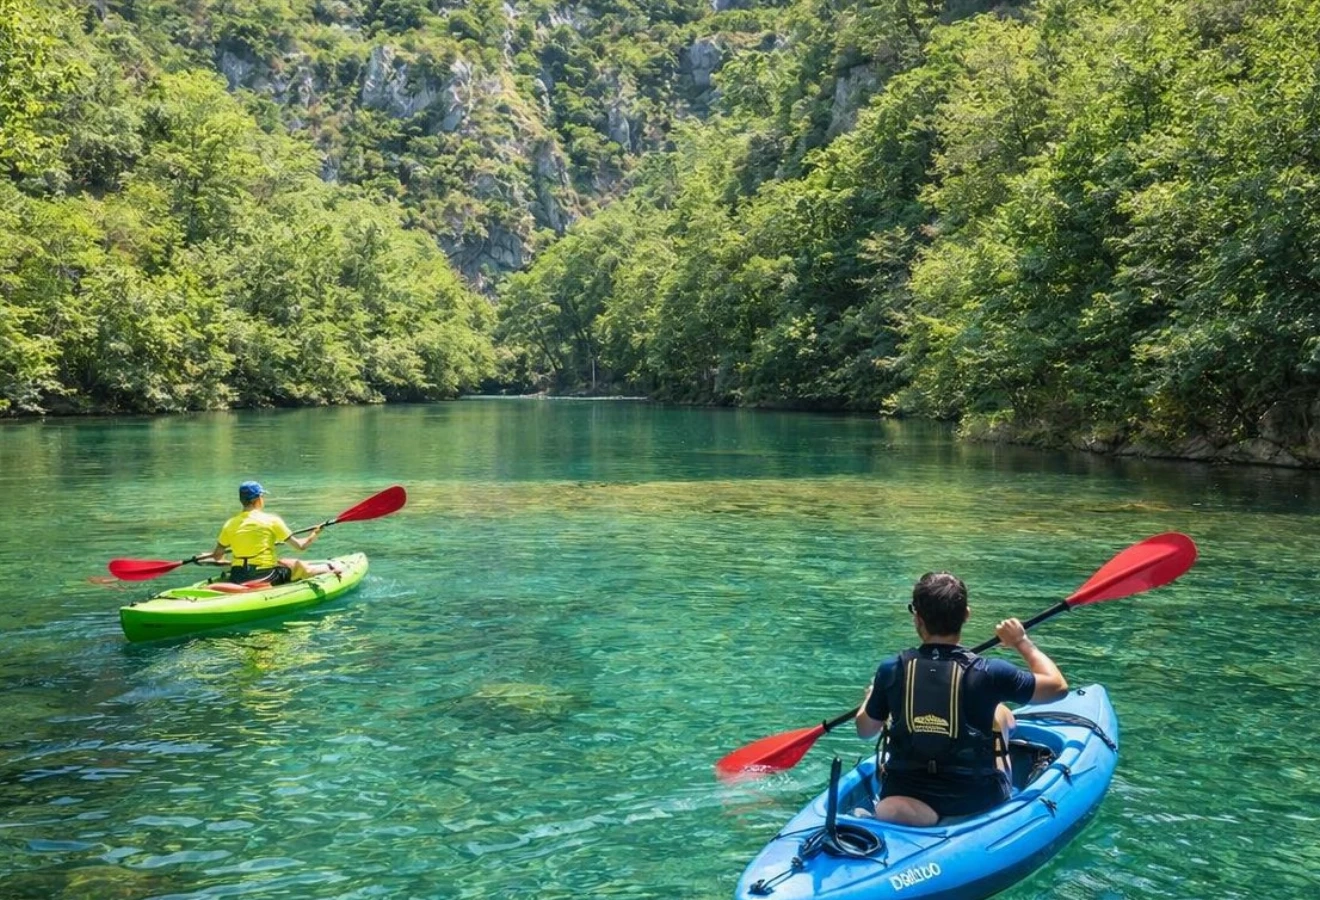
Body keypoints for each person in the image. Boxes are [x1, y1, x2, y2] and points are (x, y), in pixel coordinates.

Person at [854, 571, 1068, 825]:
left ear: (917, 617)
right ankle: (961, 817)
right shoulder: (990, 672)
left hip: (906, 795)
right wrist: (1021, 641)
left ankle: (909, 817)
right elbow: (1057, 687)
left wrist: (870, 700)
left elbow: (865, 730)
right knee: (999, 713)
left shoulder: (891, 670)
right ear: (966, 614)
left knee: (892, 803)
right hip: (973, 799)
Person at [199, 481, 336, 585]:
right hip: (265, 575)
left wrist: (211, 558)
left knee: (282, 561)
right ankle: (332, 569)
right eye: (262, 496)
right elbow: (301, 546)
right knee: (295, 565)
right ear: (257, 499)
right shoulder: (271, 520)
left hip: (238, 576)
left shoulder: (229, 524)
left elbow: (217, 557)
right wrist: (315, 533)